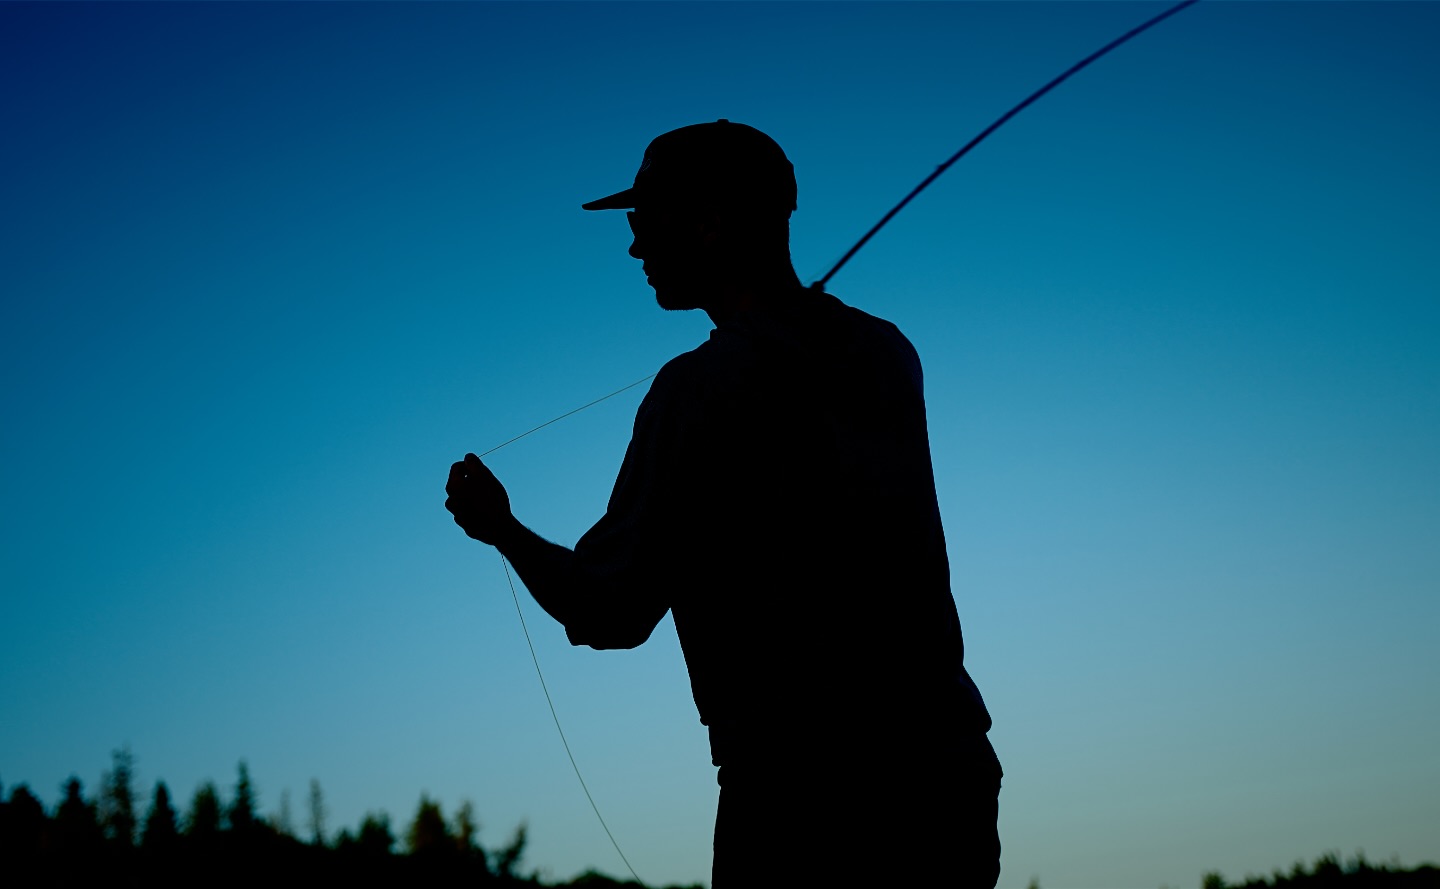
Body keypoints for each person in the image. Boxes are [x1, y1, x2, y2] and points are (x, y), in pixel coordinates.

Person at [446, 120, 1000, 887]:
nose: (635, 248)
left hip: (804, 800)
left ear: (709, 224)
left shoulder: (699, 390)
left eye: (647, 224)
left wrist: (500, 529)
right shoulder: (888, 354)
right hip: (949, 775)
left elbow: (610, 609)